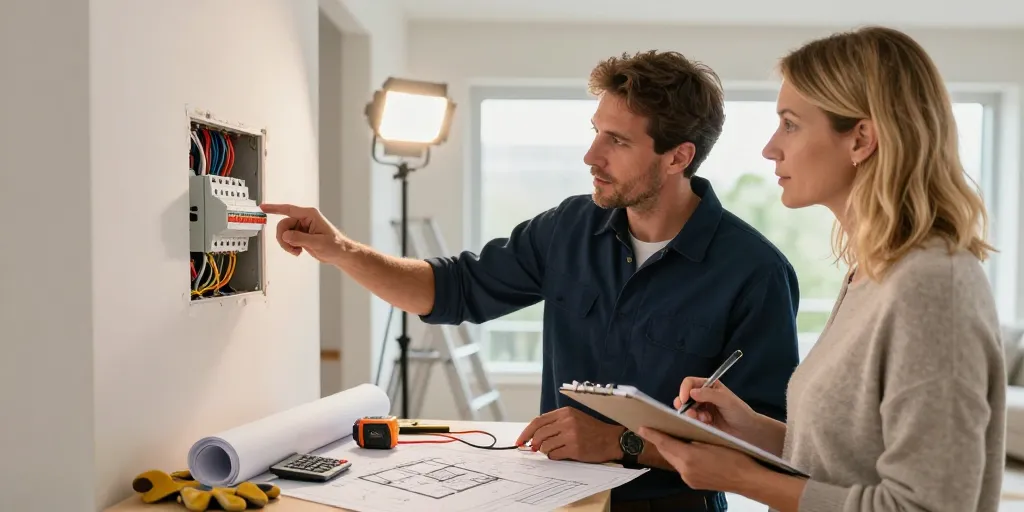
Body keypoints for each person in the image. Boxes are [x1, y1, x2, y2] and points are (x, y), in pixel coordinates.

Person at [261, 50, 801, 511]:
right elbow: (450, 290)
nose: (591, 156)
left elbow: (765, 446)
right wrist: (340, 250)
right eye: (595, 132)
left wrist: (622, 442)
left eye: (617, 141)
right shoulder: (567, 227)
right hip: (557, 500)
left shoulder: (755, 272)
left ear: (678, 156)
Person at [637, 26, 1006, 512]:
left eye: (790, 124)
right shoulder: (870, 274)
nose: (771, 148)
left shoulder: (932, 284)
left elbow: (928, 506)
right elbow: (844, 461)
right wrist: (747, 430)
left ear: (861, 139)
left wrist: (742, 478)